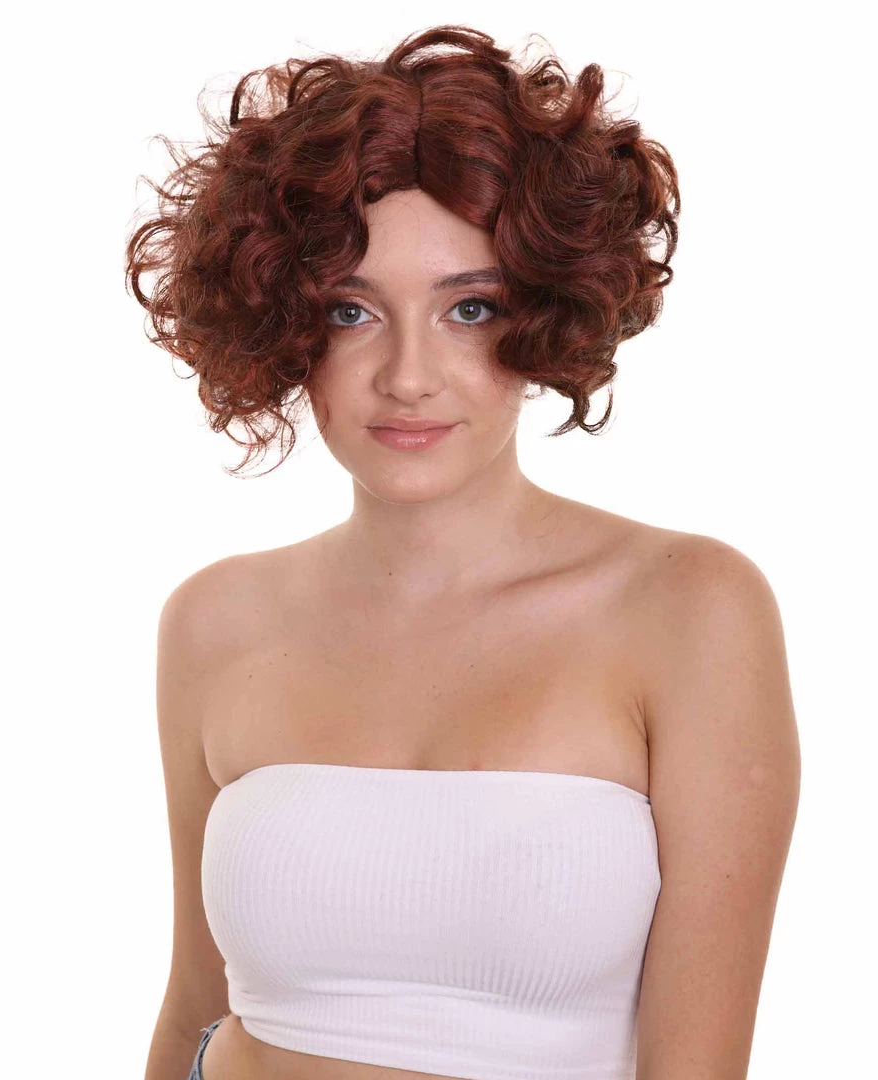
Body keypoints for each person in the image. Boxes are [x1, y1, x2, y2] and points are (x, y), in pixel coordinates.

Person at [127, 24, 801, 1080]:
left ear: (546, 315)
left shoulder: (687, 609)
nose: (408, 376)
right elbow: (192, 1010)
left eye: (469, 308)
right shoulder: (216, 619)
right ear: (283, 324)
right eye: (351, 311)